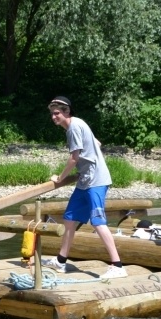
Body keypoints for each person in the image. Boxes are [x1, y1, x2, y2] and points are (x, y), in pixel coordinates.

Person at [41, 96, 128, 279]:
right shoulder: (79, 123)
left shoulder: (73, 128)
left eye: (57, 113)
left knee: (98, 221)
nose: (53, 117)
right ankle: (61, 261)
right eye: (52, 113)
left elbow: (74, 158)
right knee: (70, 219)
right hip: (85, 181)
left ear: (67, 112)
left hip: (96, 181)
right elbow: (97, 143)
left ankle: (118, 265)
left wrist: (60, 178)